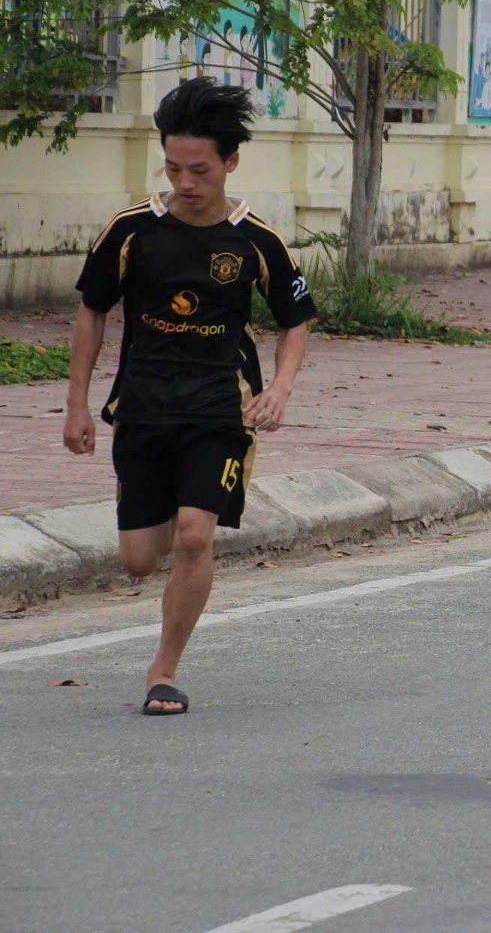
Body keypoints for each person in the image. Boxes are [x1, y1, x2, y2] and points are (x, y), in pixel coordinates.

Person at [63, 80, 315, 717]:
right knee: (139, 561)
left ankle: (164, 670)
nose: (184, 181)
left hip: (219, 411)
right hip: (144, 408)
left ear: (230, 162)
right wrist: (76, 404)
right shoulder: (131, 231)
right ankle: (160, 522)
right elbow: (91, 312)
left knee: (196, 536)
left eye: (198, 169)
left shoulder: (255, 240)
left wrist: (281, 388)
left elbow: (296, 319)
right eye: (173, 168)